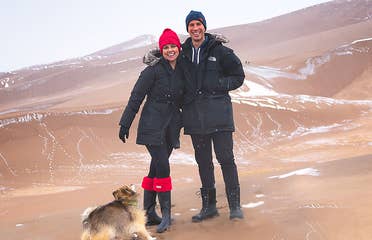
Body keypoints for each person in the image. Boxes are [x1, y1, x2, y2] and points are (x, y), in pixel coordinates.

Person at [181, 10, 245, 221]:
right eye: (191, 25)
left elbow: (238, 76)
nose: (195, 28)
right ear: (187, 29)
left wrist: (219, 85)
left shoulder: (220, 51)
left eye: (198, 24)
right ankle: (209, 207)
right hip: (195, 118)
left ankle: (235, 206)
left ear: (204, 27)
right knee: (203, 162)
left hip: (219, 116)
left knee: (226, 159)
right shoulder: (183, 53)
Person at [118, 28, 184, 233]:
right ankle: (165, 215)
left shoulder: (183, 69)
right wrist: (125, 123)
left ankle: (147, 213)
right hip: (152, 126)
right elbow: (136, 96)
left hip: (171, 126)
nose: (170, 50)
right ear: (161, 49)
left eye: (173, 46)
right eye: (166, 47)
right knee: (163, 166)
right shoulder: (152, 71)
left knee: (156, 167)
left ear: (178, 48)